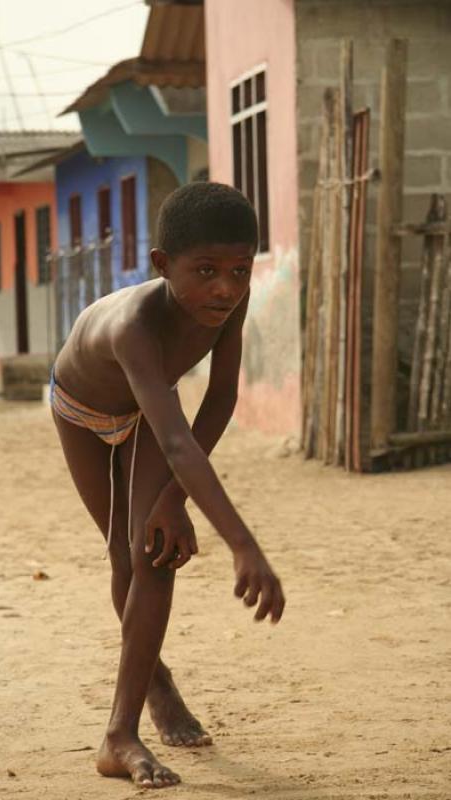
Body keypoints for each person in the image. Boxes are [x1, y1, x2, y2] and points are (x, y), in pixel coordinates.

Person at [51, 182, 285, 789]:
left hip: (153, 414)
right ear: (163, 265)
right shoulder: (134, 325)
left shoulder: (232, 303)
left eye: (239, 269)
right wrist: (243, 544)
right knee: (121, 556)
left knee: (153, 555)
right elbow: (180, 442)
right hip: (82, 410)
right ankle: (156, 682)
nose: (226, 288)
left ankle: (117, 735)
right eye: (205, 270)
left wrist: (172, 499)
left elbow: (223, 395)